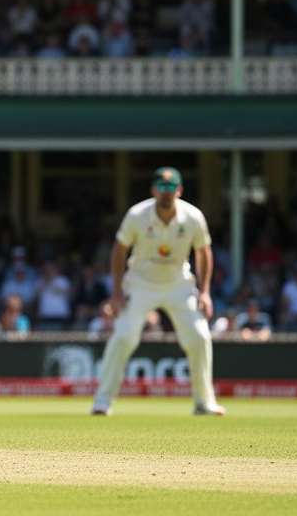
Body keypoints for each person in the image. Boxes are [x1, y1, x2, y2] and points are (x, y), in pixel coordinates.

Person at [91, 167, 224, 417]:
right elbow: (119, 251)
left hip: (179, 284)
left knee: (199, 337)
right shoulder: (137, 214)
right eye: (161, 188)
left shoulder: (192, 216)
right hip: (140, 283)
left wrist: (205, 292)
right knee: (123, 337)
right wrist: (117, 292)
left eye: (171, 187)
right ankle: (102, 401)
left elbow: (203, 251)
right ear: (153, 190)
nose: (166, 192)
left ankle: (204, 402)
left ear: (179, 191)